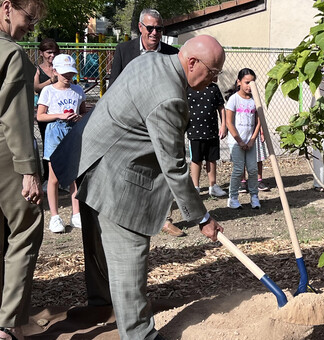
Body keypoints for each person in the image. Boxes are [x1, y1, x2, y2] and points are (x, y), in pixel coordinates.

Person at [51, 35, 225, 340]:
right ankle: (139, 335)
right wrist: (201, 217)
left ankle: (101, 307)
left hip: (90, 160)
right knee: (129, 259)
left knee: (100, 252)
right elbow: (174, 165)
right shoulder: (170, 98)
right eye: (212, 73)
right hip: (116, 179)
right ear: (192, 62)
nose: (212, 81)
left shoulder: (150, 60)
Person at [109, 8, 185, 237]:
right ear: (140, 27)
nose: (154, 33)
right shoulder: (124, 51)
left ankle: (165, 218)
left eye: (159, 29)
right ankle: (132, 215)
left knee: (166, 167)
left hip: (164, 122)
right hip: (132, 122)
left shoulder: (172, 54)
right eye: (150, 28)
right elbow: (114, 87)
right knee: (132, 168)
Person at [0, 0, 46, 339]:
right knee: (25, 226)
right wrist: (29, 170)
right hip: (6, 152)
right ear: (6, 8)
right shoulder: (11, 53)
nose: (31, 27)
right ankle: (9, 325)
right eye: (28, 18)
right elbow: (15, 119)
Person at [36, 54, 87, 233]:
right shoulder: (48, 91)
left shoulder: (78, 90)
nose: (68, 77)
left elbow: (84, 113)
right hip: (54, 133)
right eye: (64, 73)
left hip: (72, 132)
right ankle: (55, 216)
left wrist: (79, 117)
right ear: (55, 71)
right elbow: (40, 115)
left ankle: (76, 213)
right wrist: (59, 115)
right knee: (54, 177)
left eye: (71, 73)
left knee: (73, 175)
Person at [225, 68, 261, 209]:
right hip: (236, 143)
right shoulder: (234, 99)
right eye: (247, 82)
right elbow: (229, 122)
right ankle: (233, 198)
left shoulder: (254, 100)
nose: (249, 86)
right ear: (239, 82)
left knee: (252, 170)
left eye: (252, 82)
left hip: (250, 143)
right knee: (239, 170)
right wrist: (239, 141)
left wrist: (252, 140)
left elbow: (258, 122)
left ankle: (254, 196)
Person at [187, 79, 227, 197]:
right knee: (196, 159)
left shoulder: (214, 88)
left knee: (212, 158)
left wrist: (223, 125)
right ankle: (195, 187)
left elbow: (221, 107)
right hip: (194, 132)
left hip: (212, 131)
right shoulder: (188, 88)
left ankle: (213, 185)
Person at [33, 37, 59, 188]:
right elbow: (36, 87)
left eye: (54, 52)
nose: (52, 56)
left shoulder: (60, 67)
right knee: (47, 146)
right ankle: (47, 178)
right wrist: (52, 80)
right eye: (49, 52)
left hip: (61, 111)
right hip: (45, 113)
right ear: (42, 53)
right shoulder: (38, 69)